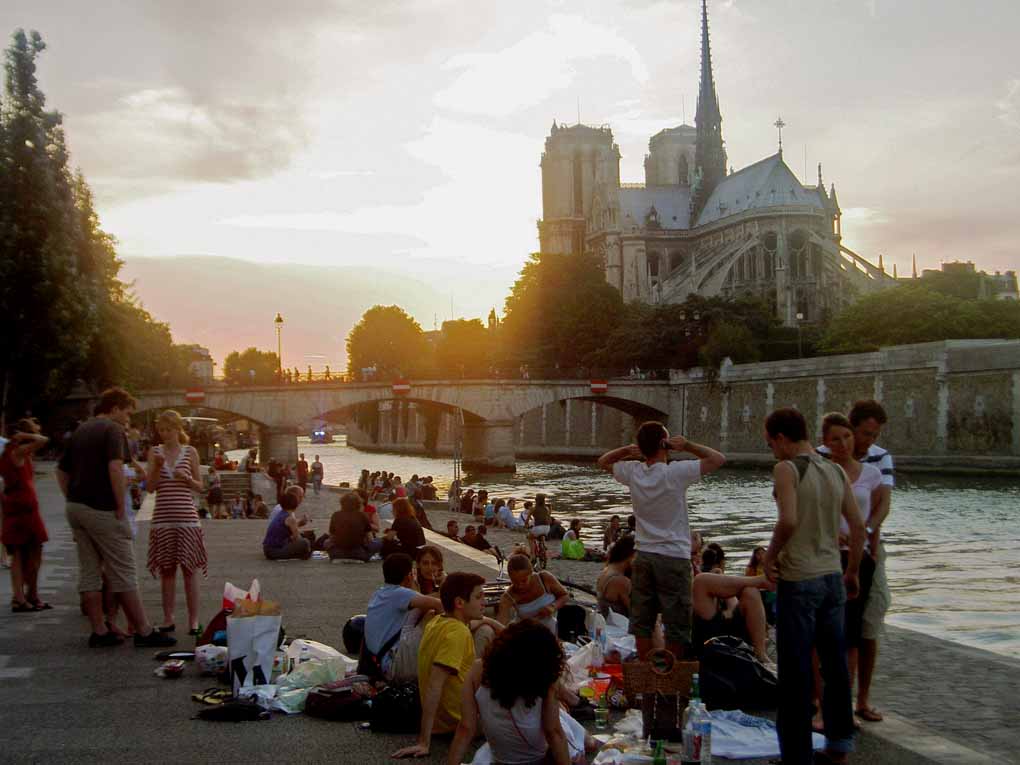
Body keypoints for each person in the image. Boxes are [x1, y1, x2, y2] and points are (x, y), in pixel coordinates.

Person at [762, 407, 865, 765]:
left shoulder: (787, 469)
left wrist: (769, 556)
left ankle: (796, 756)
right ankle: (839, 746)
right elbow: (857, 526)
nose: (773, 451)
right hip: (832, 577)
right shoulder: (835, 469)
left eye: (771, 444)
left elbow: (787, 520)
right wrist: (851, 571)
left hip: (799, 578)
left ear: (779, 438)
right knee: (835, 668)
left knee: (795, 673)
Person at [57, 387, 175, 648]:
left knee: (89, 571)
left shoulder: (80, 430)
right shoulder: (112, 430)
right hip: (102, 508)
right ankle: (144, 630)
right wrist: (120, 505)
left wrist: (73, 498)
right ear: (114, 409)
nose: (127, 419)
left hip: (76, 508)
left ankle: (99, 631)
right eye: (126, 413)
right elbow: (114, 466)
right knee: (123, 568)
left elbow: (60, 471)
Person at [597, 421, 726, 659]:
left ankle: (648, 673)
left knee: (643, 622)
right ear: (664, 444)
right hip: (673, 557)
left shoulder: (633, 472)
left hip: (643, 557)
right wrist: (687, 445)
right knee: (676, 623)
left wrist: (628, 450)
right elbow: (718, 459)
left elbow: (603, 461)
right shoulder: (675, 473)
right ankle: (671, 675)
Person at [828, 400, 894, 724]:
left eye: (874, 434)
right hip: (830, 554)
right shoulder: (823, 457)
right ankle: (828, 700)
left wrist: (864, 532)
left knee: (865, 627)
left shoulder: (879, 461)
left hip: (867, 553)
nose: (869, 440)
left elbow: (884, 505)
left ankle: (859, 699)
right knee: (832, 629)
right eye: (865, 433)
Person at [817, 411, 883, 726]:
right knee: (823, 634)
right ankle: (818, 704)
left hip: (858, 559)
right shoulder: (821, 471)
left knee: (851, 636)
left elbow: (877, 514)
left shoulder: (872, 474)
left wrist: (868, 544)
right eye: (835, 439)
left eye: (846, 437)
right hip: (826, 556)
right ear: (824, 443)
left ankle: (844, 704)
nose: (843, 443)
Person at [447, 620, 579, 765]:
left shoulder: (477, 670)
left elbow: (466, 728)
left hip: (500, 758)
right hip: (539, 758)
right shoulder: (543, 679)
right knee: (563, 719)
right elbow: (553, 733)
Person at [392, 572, 489, 759]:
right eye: (478, 597)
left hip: (445, 719)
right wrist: (423, 742)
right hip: (458, 720)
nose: (484, 602)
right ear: (460, 603)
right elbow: (435, 686)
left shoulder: (437, 621)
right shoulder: (458, 634)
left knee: (485, 631)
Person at [145, 410, 209, 635]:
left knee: (189, 570)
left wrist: (188, 479)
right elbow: (150, 487)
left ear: (178, 429)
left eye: (169, 430)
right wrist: (157, 467)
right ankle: (168, 618)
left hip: (187, 519)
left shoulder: (190, 452)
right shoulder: (154, 452)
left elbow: (201, 487)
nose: (165, 434)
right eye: (161, 430)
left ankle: (193, 620)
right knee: (167, 571)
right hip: (162, 519)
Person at [364, 553, 443, 681]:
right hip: (393, 664)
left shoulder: (380, 593)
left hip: (381, 662)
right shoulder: (401, 593)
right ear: (408, 576)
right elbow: (438, 605)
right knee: (431, 615)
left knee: (424, 612)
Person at [691, 544, 773, 662]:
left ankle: (761, 655)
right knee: (700, 581)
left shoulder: (730, 588)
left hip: (735, 634)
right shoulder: (696, 579)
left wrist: (720, 577)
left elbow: (732, 609)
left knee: (751, 591)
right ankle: (761, 581)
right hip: (708, 640)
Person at [1, 418, 50, 612]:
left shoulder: (14, 452)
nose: (38, 430)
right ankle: (22, 597)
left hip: (19, 506)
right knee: (26, 554)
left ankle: (28, 596)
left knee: (25, 554)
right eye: (34, 428)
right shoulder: (17, 451)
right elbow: (43, 440)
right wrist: (26, 436)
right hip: (24, 509)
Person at [497, 554, 569, 634]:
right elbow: (500, 626)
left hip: (551, 631)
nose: (520, 586)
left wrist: (553, 606)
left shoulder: (544, 578)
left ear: (531, 573)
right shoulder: (508, 597)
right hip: (526, 634)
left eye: (524, 581)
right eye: (514, 581)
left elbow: (565, 595)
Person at [327, 491, 381, 561]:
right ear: (358, 504)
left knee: (326, 542)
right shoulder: (362, 516)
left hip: (336, 554)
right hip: (359, 554)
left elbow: (331, 537)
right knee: (379, 542)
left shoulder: (336, 515)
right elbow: (370, 539)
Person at [262, 491, 311, 560]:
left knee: (305, 536)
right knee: (305, 542)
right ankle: (302, 555)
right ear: (296, 504)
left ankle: (299, 554)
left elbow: (286, 528)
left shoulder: (282, 513)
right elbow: (297, 538)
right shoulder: (290, 518)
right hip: (275, 551)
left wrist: (300, 524)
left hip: (268, 549)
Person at [597, 535, 635, 618]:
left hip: (607, 622)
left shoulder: (606, 569)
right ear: (631, 556)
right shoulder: (621, 581)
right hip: (620, 626)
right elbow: (636, 613)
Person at [524, 494, 552, 561]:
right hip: (547, 528)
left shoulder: (533, 508)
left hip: (538, 528)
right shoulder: (547, 508)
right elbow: (549, 520)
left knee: (530, 537)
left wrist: (526, 525)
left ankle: (533, 554)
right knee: (542, 535)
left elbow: (527, 520)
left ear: (536, 500)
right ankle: (543, 546)